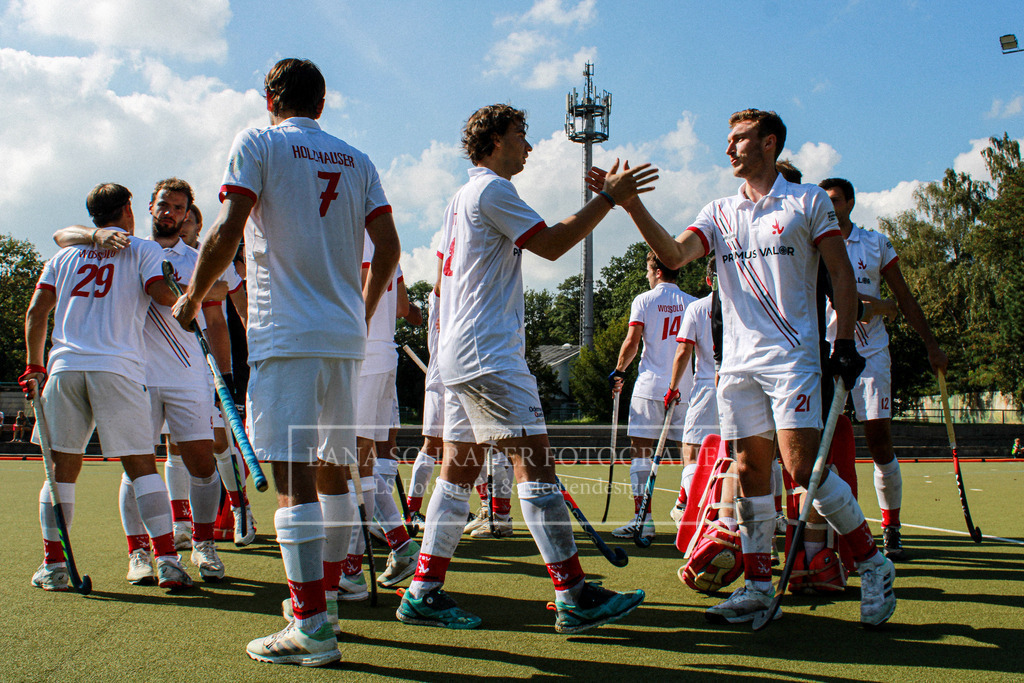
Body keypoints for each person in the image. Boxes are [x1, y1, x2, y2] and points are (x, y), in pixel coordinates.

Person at [614, 109, 896, 627]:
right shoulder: (719, 210)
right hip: (735, 365)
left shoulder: (808, 200)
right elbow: (675, 253)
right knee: (748, 472)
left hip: (794, 360)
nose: (729, 149)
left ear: (768, 144)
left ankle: (873, 563)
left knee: (803, 469)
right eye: (728, 140)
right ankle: (759, 586)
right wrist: (632, 205)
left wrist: (843, 343)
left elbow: (840, 273)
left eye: (739, 140)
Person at [173, 58, 400, 667]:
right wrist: (360, 307)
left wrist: (193, 296)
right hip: (342, 338)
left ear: (269, 96)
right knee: (332, 467)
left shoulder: (258, 142)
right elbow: (390, 248)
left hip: (286, 333)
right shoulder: (357, 157)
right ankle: (328, 589)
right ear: (321, 103)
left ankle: (310, 624)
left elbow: (227, 225)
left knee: (295, 477)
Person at [396, 103, 654, 634]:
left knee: (458, 472)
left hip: (463, 351)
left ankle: (422, 589)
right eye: (520, 135)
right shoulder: (491, 190)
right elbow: (553, 246)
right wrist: (610, 198)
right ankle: (574, 594)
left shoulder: (463, 195)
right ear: (492, 141)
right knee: (534, 467)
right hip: (489, 353)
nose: (529, 146)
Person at [22, 182, 190, 592]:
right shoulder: (142, 249)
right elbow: (158, 292)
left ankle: (54, 565)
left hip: (64, 368)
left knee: (62, 470)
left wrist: (33, 365)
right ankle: (167, 560)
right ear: (129, 209)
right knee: (141, 467)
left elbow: (36, 312)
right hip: (118, 368)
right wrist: (189, 298)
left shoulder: (62, 256)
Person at [819, 177, 948, 560]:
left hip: (872, 353)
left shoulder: (875, 243)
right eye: (825, 201)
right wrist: (875, 305)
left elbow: (903, 297)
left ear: (851, 203)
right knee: (819, 442)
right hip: (826, 350)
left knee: (879, 442)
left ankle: (891, 529)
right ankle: (826, 531)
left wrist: (931, 344)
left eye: (836, 200)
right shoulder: (815, 240)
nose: (831, 207)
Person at [609, 252, 696, 541]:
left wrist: (619, 371)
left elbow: (632, 342)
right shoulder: (693, 303)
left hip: (649, 387)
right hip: (684, 387)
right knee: (690, 454)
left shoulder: (644, 300)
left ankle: (642, 519)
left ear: (657, 272)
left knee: (640, 451)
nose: (647, 275)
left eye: (648, 270)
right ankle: (686, 512)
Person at [665, 258, 720, 526]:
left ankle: (690, 507)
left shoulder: (698, 308)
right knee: (752, 453)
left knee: (692, 452)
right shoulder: (748, 304)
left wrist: (673, 388)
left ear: (708, 280)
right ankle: (773, 517)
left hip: (708, 387)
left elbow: (683, 350)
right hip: (744, 386)